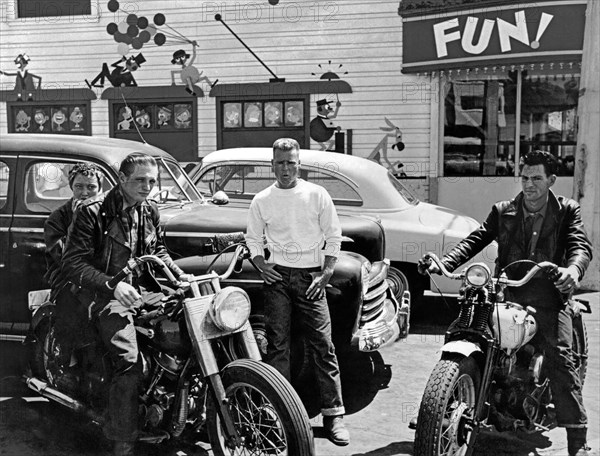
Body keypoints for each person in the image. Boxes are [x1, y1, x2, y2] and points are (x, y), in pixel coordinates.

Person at [419, 150, 593, 456]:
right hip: (508, 290)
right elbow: (477, 239)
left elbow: (579, 245)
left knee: (560, 356)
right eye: (525, 177)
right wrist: (444, 262)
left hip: (550, 295)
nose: (529, 184)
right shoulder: (504, 211)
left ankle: (577, 441)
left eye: (537, 178)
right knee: (467, 331)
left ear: (551, 180)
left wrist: (573, 269)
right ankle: (441, 407)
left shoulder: (567, 211)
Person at [61, 153, 191, 456]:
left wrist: (181, 277)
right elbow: (73, 263)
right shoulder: (93, 212)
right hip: (104, 296)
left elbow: (158, 250)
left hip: (143, 290)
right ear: (121, 179)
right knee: (129, 362)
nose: (148, 187)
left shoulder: (149, 210)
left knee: (189, 321)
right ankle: (123, 439)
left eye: (152, 181)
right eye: (140, 180)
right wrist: (112, 284)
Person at [245, 137, 350, 446]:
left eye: (291, 162)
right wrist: (261, 265)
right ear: (272, 165)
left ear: (299, 163)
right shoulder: (262, 199)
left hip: (311, 278)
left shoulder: (317, 194)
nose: (285, 168)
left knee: (323, 344)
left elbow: (333, 235)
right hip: (276, 278)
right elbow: (253, 238)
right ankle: (279, 414)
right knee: (278, 345)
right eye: (280, 163)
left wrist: (327, 271)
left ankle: (334, 415)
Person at [44, 163, 104, 359]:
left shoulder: (105, 214)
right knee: (76, 308)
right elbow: (65, 258)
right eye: (79, 187)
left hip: (100, 274)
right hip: (67, 277)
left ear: (99, 188)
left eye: (91, 187)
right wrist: (78, 219)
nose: (85, 193)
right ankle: (69, 363)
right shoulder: (57, 218)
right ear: (71, 187)